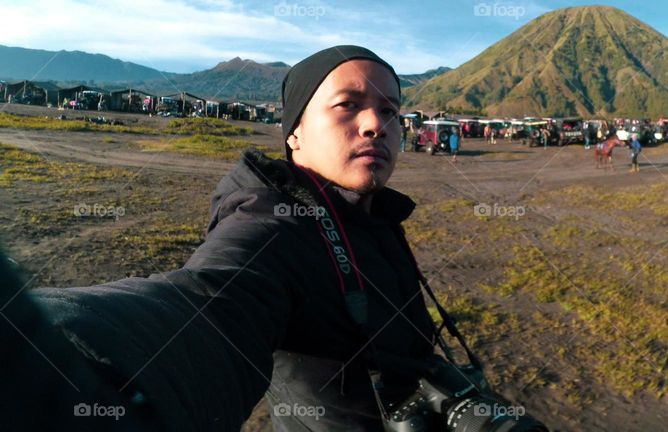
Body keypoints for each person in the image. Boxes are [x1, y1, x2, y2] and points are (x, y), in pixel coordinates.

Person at [9, 46, 445, 431]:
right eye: (348, 104)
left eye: (390, 110)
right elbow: (210, 303)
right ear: (294, 132)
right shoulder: (274, 225)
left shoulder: (376, 217)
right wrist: (45, 355)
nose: (376, 123)